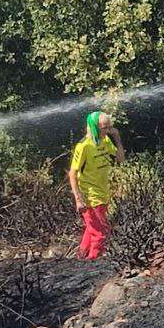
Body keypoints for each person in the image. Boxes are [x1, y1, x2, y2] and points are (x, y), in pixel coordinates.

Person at [69, 111, 126, 260]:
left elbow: (120, 159)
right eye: (104, 127)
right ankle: (93, 261)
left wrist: (117, 137)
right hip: (90, 197)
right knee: (101, 232)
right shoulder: (84, 146)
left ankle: (80, 257)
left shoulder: (105, 140)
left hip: (103, 194)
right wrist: (78, 199)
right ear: (94, 127)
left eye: (109, 127)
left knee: (92, 228)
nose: (108, 130)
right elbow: (72, 174)